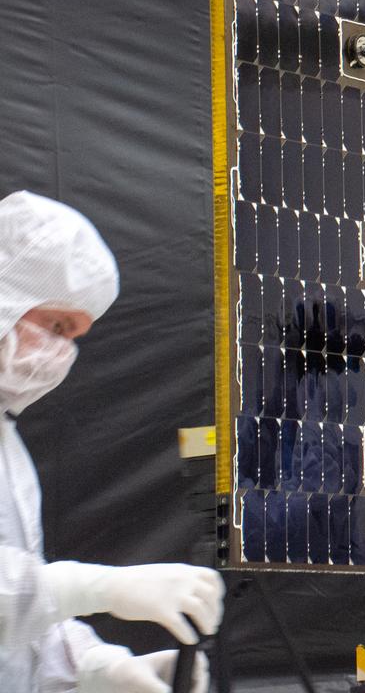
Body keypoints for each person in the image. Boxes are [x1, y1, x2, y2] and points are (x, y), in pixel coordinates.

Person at [0, 192, 223, 692]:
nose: (62, 353)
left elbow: (20, 627)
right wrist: (101, 588)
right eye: (56, 326)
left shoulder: (7, 446)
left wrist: (98, 667)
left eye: (74, 336)